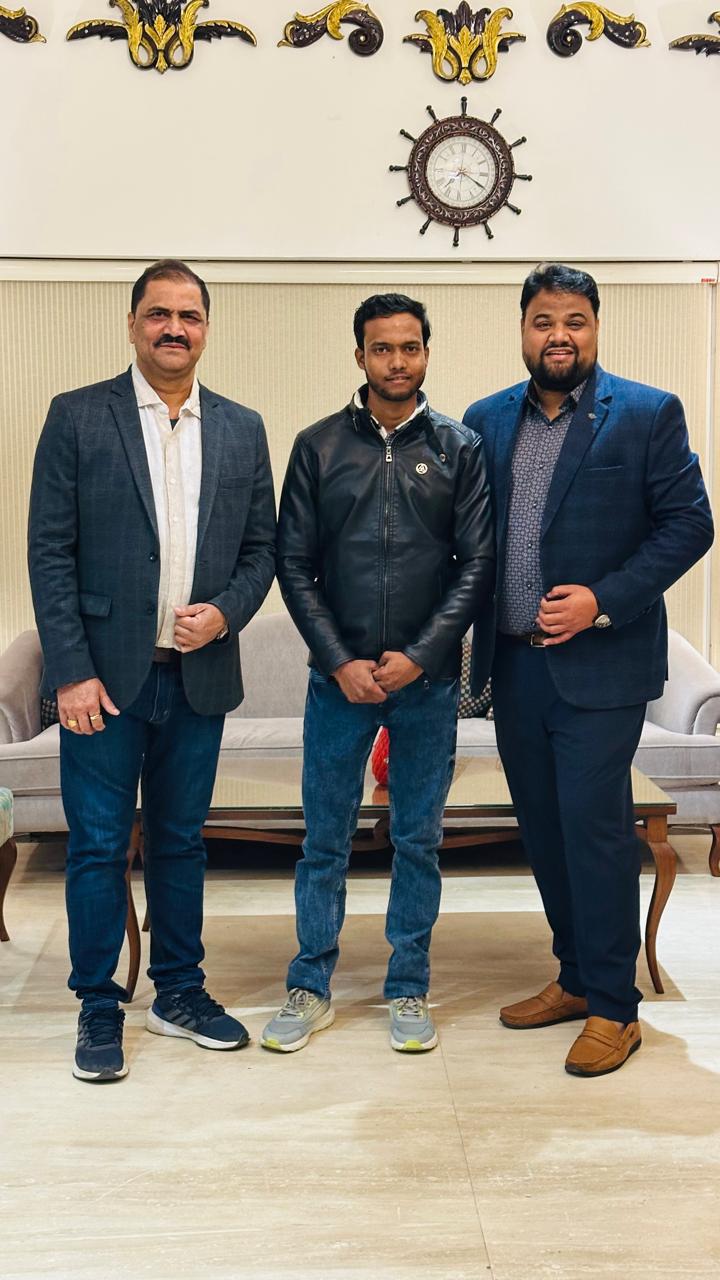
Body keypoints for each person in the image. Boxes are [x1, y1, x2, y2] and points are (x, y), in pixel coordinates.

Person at [28, 259, 276, 1081]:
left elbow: (262, 549)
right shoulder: (77, 416)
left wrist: (227, 612)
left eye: (189, 315)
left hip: (198, 676)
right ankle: (98, 1004)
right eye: (159, 314)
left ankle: (180, 991)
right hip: (101, 681)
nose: (175, 328)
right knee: (99, 847)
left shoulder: (242, 427)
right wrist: (70, 671)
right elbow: (50, 552)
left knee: (180, 843)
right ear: (133, 324)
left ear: (206, 329)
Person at [464, 263, 713, 1077]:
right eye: (544, 321)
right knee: (542, 831)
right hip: (514, 665)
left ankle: (614, 1007)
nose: (559, 335)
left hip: (602, 666)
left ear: (596, 327)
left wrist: (602, 600)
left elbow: (689, 526)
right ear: (523, 329)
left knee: (595, 832)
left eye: (574, 320)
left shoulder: (645, 413)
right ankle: (574, 978)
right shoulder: (486, 419)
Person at [261, 292, 494, 1054]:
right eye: (382, 348)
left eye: (410, 347)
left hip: (426, 683)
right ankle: (309, 984)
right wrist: (340, 660)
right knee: (324, 840)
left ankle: (408, 986)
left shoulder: (459, 448)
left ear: (426, 352)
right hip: (340, 682)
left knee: (418, 841)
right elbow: (293, 563)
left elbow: (476, 564)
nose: (397, 361)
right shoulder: (318, 446)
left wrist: (421, 655)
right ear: (359, 355)